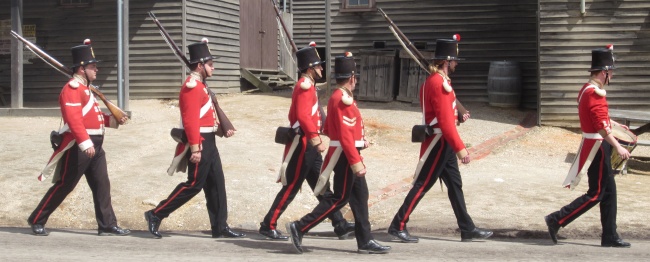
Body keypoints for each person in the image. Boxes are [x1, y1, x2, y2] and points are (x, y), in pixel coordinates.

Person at [387, 34, 492, 243]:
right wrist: (462, 150)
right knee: (423, 185)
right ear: (446, 61)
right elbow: (445, 123)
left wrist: (458, 115)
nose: (455, 64)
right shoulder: (439, 83)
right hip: (439, 142)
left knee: (455, 185)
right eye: (454, 61)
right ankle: (397, 225)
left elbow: (447, 116)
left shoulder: (437, 81)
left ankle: (467, 227)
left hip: (443, 142)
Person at [286, 52, 391, 254]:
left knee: (360, 196)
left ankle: (365, 240)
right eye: (355, 76)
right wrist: (356, 161)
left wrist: (361, 140)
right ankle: (300, 226)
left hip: (348, 152)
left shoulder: (340, 96)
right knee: (339, 198)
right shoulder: (341, 98)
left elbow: (335, 129)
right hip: (345, 155)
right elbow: (343, 134)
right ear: (352, 77)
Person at [27, 39, 130, 236]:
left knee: (102, 184)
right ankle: (37, 218)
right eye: (93, 67)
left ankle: (107, 224)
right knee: (65, 184)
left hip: (96, 144)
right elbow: (74, 119)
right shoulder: (72, 88)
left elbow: (93, 117)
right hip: (79, 145)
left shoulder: (86, 89)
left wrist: (115, 120)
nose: (96, 70)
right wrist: (85, 143)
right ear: (82, 69)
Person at [144, 38, 244, 239]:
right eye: (210, 64)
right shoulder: (192, 86)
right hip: (199, 141)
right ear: (200, 66)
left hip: (209, 140)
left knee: (217, 183)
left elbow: (207, 115)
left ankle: (220, 226)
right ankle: (155, 214)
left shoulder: (200, 85)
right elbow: (190, 120)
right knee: (194, 184)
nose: (213, 68)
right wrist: (196, 148)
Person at [259, 42, 354, 241]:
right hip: (303, 144)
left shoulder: (309, 86)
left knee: (322, 186)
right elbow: (303, 116)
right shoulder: (304, 86)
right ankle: (268, 225)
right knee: (292, 186)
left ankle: (340, 225)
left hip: (308, 144)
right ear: (310, 68)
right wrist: (314, 138)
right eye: (318, 66)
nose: (321, 68)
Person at [544, 45, 631, 248]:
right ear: (604, 72)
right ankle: (557, 219)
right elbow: (601, 127)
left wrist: (616, 124)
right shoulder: (596, 93)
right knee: (597, 193)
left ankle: (610, 235)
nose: (611, 75)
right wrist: (618, 146)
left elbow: (600, 118)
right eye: (610, 72)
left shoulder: (587, 89)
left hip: (596, 143)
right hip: (598, 147)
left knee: (609, 193)